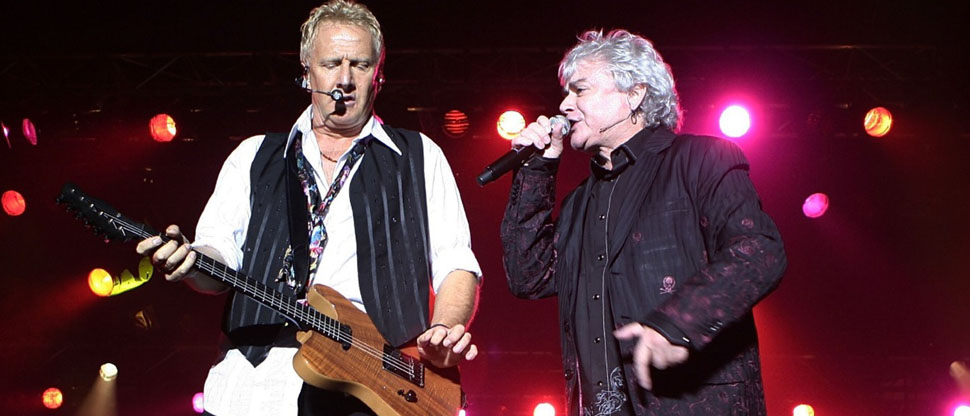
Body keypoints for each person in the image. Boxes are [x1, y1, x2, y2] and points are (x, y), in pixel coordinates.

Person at [136, 1, 482, 414]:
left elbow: (456, 263)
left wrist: (444, 329)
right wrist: (190, 262)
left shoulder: (420, 156)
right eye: (331, 63)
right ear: (306, 72)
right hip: (252, 390)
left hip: (374, 392)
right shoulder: (254, 156)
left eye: (360, 65)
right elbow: (219, 254)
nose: (345, 79)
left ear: (379, 74)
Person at [501, 29, 786, 415]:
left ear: (634, 94)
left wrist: (677, 323)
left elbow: (759, 251)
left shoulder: (700, 161)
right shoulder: (578, 204)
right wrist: (537, 170)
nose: (565, 105)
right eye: (566, 93)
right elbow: (528, 276)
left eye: (580, 90)